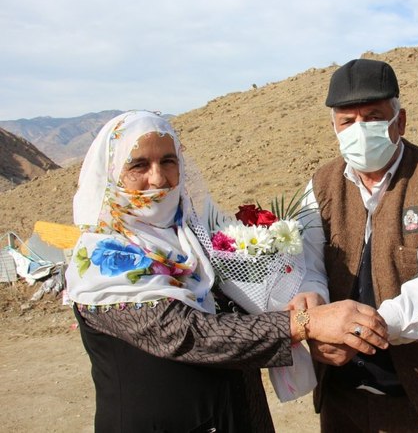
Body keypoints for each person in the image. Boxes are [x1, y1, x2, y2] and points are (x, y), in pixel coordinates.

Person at [65, 110, 389, 433]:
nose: (159, 179)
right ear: (109, 174)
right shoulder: (102, 258)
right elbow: (186, 334)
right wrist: (306, 324)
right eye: (138, 165)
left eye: (168, 161)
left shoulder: (192, 241)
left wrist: (299, 300)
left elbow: (236, 312)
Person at [298, 59, 418, 432]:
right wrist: (315, 314)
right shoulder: (320, 186)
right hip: (342, 399)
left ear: (400, 121)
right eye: (347, 121)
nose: (359, 130)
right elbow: (308, 266)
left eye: (373, 116)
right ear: (334, 127)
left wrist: (359, 331)